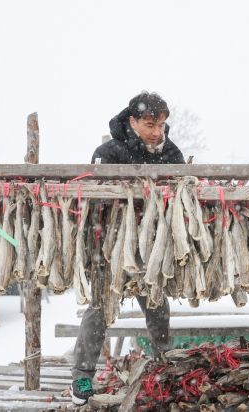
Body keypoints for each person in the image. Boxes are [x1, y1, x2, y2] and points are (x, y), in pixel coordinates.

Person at [70, 91, 185, 405]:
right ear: (132, 121)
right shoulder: (108, 152)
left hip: (151, 247)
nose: (157, 132)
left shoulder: (171, 153)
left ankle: (165, 364)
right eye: (150, 125)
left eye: (160, 125)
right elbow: (92, 197)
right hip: (110, 245)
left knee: (158, 307)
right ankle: (81, 376)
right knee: (99, 309)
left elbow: (182, 191)